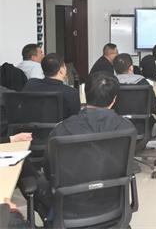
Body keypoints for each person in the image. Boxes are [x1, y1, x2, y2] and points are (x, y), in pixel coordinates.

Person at [28, 71, 135, 222]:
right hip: (113, 207)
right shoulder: (127, 128)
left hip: (68, 211)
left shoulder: (61, 130)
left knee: (34, 179)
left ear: (84, 94)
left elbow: (48, 170)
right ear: (114, 99)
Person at [22, 53, 80, 118]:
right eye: (64, 66)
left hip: (32, 124)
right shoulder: (71, 92)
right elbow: (75, 119)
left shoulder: (31, 84)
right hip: (61, 124)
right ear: (61, 70)